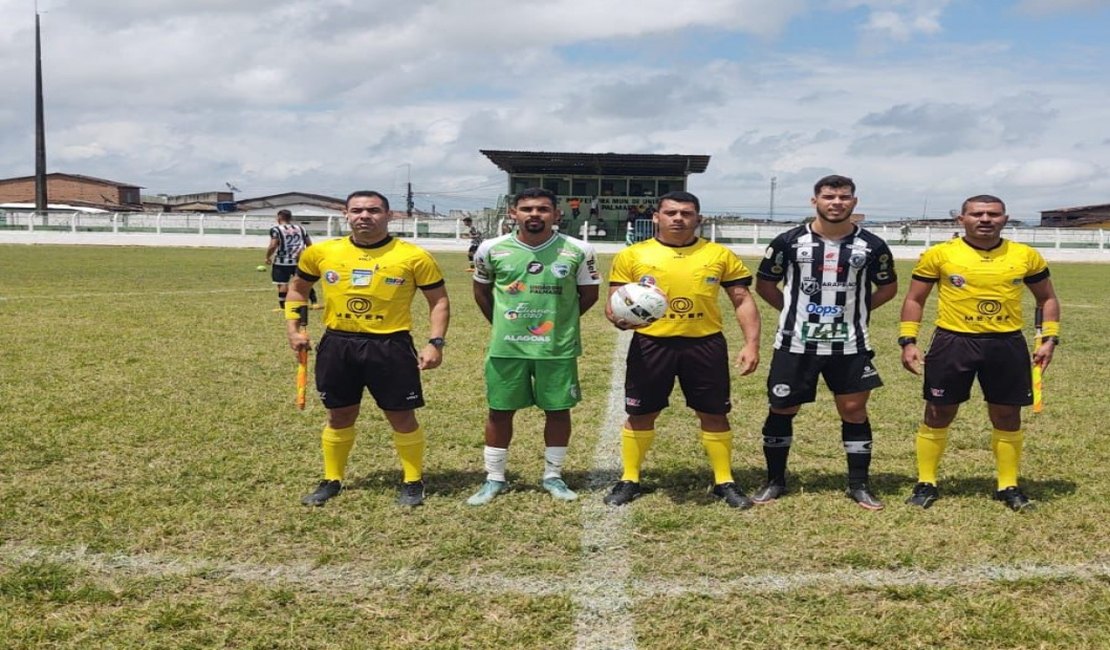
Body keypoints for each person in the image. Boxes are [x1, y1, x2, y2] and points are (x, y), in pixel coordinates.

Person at [284, 191, 450, 508]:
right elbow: (297, 291)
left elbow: (438, 301)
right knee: (339, 414)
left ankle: (413, 481)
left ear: (389, 215)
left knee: (401, 416)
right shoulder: (320, 253)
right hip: (338, 343)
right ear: (346, 214)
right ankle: (332, 479)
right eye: (357, 210)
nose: (365, 216)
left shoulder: (413, 256)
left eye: (373, 210)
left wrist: (435, 342)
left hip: (391, 345)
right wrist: (294, 330)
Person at [900, 195, 1059, 512]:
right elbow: (915, 299)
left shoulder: (1025, 255)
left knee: (1007, 414)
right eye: (977, 214)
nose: (985, 219)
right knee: (938, 410)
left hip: (1006, 343)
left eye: (993, 214)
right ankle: (927, 482)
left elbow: (1047, 299)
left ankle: (1008, 485)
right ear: (962, 219)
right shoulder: (940, 254)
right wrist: (908, 340)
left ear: (1005, 218)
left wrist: (1049, 339)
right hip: (953, 341)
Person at [603, 191, 761, 508]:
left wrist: (752, 343)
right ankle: (630, 478)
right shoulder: (633, 255)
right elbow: (615, 302)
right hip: (651, 343)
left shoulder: (719, 254)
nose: (678, 218)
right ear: (656, 218)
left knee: (714, 412)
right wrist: (619, 319)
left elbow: (742, 299)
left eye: (686, 213)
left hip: (705, 344)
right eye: (671, 212)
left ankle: (723, 480)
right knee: (641, 412)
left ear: (697, 219)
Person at [753, 175, 898, 511]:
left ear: (854, 202)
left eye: (844, 197)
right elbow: (766, 285)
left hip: (849, 345)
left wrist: (857, 312)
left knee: (853, 410)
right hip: (795, 344)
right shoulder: (788, 241)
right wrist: (792, 312)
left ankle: (859, 485)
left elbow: (887, 288)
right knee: (783, 407)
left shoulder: (873, 246)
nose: (836, 202)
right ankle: (775, 480)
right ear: (814, 200)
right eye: (829, 196)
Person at [466, 188, 601, 505]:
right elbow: (482, 292)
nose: (534, 214)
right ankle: (494, 478)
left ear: (556, 214)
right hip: (507, 347)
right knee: (499, 411)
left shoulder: (578, 249)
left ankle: (553, 476)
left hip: (556, 348)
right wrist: (503, 325)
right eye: (527, 209)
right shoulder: (491, 248)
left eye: (543, 209)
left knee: (557, 410)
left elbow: (590, 295)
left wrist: (562, 322)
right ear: (513, 213)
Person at [265, 209, 318, 310]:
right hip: (299, 260)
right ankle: (314, 302)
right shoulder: (301, 228)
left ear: (279, 218)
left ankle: (283, 307)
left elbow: (273, 245)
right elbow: (309, 244)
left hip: (282, 261)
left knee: (282, 283)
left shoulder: (276, 229)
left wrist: (267, 257)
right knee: (304, 282)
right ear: (290, 218)